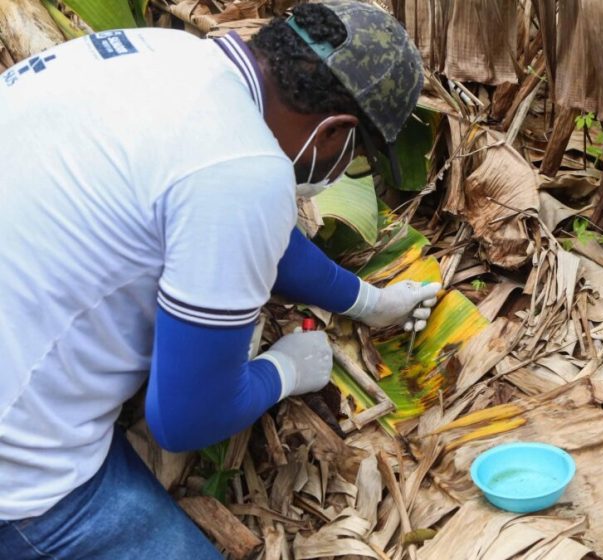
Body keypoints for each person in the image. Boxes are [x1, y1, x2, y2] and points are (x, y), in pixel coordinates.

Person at [0, 2, 437, 557]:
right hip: (17, 480)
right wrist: (283, 371)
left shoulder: (170, 56)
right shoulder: (243, 172)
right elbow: (185, 420)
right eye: (355, 159)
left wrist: (369, 302)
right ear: (333, 133)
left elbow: (259, 232)